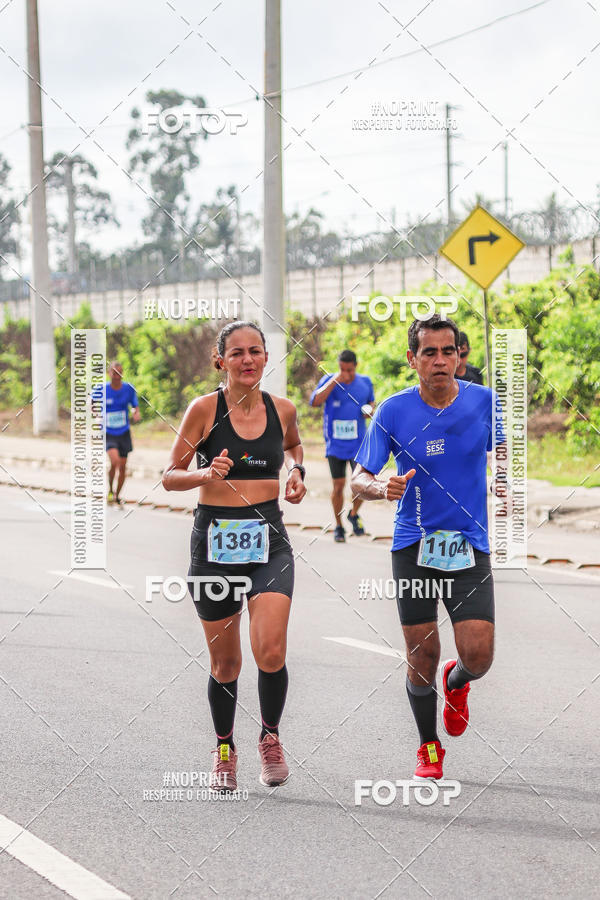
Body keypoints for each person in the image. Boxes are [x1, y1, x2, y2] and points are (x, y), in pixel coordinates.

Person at [351, 314, 504, 780]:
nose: (440, 360)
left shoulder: (484, 401)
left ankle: (457, 683)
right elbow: (359, 478)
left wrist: (505, 479)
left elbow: (505, 456)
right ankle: (428, 747)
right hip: (413, 545)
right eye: (429, 352)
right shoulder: (393, 411)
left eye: (448, 351)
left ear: (460, 357)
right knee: (422, 655)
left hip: (469, 544)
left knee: (479, 656)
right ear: (412, 359)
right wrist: (380, 488)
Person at [162, 321, 306, 792]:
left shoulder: (283, 409)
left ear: (266, 357)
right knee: (226, 665)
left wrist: (298, 472)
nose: (248, 360)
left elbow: (293, 446)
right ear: (220, 360)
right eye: (238, 353)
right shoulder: (204, 410)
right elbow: (170, 476)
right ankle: (225, 748)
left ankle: (270, 738)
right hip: (214, 546)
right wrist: (204, 474)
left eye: (256, 351)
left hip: (269, 542)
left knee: (271, 649)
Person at [309, 350, 375, 542]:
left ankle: (353, 514)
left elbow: (371, 403)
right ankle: (339, 526)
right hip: (335, 445)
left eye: (349, 370)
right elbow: (315, 402)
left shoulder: (365, 382)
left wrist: (369, 410)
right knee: (338, 486)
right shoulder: (330, 380)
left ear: (356, 367)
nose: (345, 374)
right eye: (342, 369)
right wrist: (335, 380)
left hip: (358, 445)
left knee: (362, 486)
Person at [94, 362, 140, 505]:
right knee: (114, 462)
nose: (117, 376)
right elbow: (92, 402)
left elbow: (135, 406)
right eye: (114, 373)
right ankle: (109, 490)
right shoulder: (102, 389)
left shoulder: (128, 389)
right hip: (108, 432)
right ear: (109, 374)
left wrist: (135, 413)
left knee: (123, 467)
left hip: (123, 432)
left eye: (119, 373)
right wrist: (97, 415)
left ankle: (117, 495)